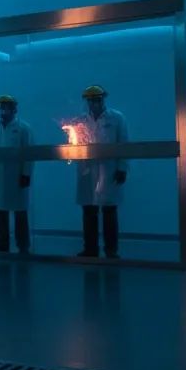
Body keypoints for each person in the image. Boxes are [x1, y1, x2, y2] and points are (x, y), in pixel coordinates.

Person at [76, 85, 128, 259]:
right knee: (89, 210)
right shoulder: (80, 121)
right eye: (90, 100)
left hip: (109, 169)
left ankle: (111, 250)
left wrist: (122, 168)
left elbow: (124, 144)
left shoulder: (117, 118)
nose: (93, 103)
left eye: (97, 99)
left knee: (109, 211)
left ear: (103, 99)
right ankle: (90, 249)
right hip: (87, 170)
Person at [0, 95, 33, 254]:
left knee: (19, 211)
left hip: (16, 176)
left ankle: (23, 244)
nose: (2, 110)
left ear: (14, 109)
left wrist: (26, 174)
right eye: (0, 107)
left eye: (6, 107)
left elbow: (29, 154)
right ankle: (2, 243)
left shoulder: (23, 128)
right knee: (0, 210)